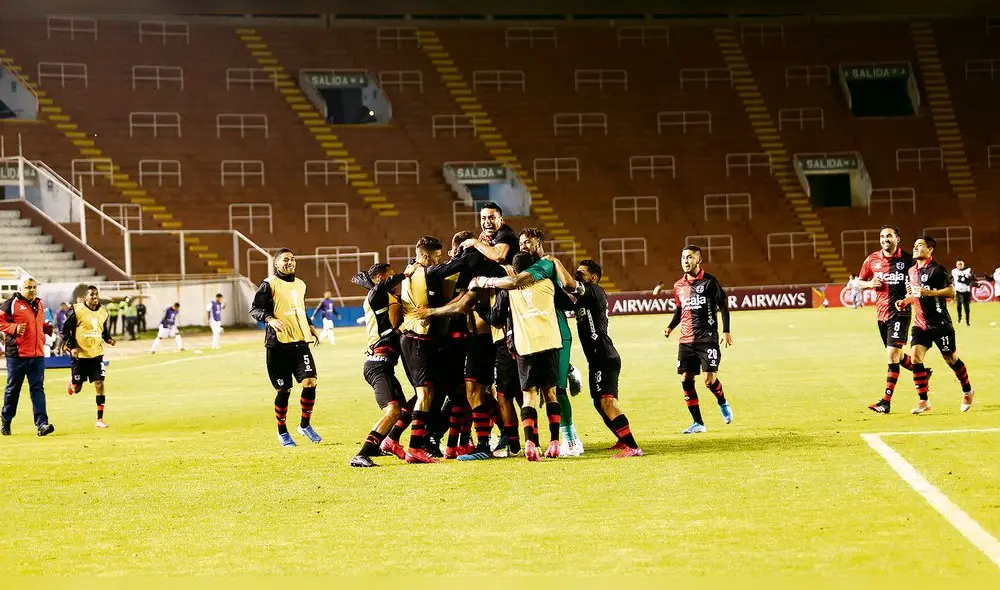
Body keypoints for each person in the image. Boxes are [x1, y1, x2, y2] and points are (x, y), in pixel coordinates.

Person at [548, 256, 643, 457]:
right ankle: (621, 439)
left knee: (607, 402)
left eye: (581, 273)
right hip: (597, 359)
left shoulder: (594, 291)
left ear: (593, 277)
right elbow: (562, 297)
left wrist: (554, 261)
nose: (577, 275)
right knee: (598, 403)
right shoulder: (583, 299)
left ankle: (633, 447)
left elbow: (569, 285)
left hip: (604, 357)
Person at [249, 249, 323, 447]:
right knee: (284, 389)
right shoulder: (269, 284)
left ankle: (304, 425)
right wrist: (270, 319)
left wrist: (310, 325)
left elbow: (299, 308)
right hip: (278, 345)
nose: (290, 262)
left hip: (300, 343)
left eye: (292, 259)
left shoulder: (300, 284)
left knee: (310, 381)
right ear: (276, 264)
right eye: (285, 259)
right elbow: (255, 309)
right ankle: (282, 430)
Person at [895, 236, 976, 414]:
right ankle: (923, 401)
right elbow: (917, 294)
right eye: (914, 245)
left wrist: (931, 292)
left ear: (930, 250)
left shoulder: (937, 270)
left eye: (920, 245)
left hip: (940, 323)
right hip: (920, 323)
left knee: (951, 359)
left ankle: (967, 390)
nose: (916, 248)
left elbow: (951, 292)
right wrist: (905, 301)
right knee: (916, 357)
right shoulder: (911, 271)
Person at [348, 262, 414, 467]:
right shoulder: (376, 295)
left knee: (405, 406)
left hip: (384, 364)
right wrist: (405, 274)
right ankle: (362, 453)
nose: (394, 281)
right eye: (389, 277)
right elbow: (380, 288)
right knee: (394, 409)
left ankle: (383, 444)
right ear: (379, 280)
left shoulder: (382, 296)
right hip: (377, 364)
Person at [663, 245, 733, 434]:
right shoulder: (679, 286)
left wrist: (726, 330)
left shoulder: (710, 282)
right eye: (683, 257)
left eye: (690, 257)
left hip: (707, 338)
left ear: (698, 260)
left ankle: (723, 402)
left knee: (709, 380)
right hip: (685, 340)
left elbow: (723, 306)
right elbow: (680, 310)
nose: (686, 261)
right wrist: (671, 326)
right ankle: (698, 423)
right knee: (686, 378)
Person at [857, 225, 920, 414]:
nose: (885, 239)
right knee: (898, 356)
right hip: (881, 315)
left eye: (889, 236)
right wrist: (869, 284)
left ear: (897, 239)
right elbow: (858, 282)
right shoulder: (872, 259)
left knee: (892, 355)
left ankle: (886, 401)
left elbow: (918, 286)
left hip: (900, 312)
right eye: (883, 236)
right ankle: (922, 372)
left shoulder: (908, 260)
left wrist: (909, 299)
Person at [0, 277, 55, 436]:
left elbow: (35, 324)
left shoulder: (39, 303)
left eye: (34, 287)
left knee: (38, 389)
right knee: (13, 390)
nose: (32, 290)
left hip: (37, 355)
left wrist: (45, 328)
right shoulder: (10, 304)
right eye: (28, 287)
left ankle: (42, 424)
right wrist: (14, 328)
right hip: (17, 356)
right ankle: (6, 420)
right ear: (20, 288)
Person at [62, 285, 116, 427]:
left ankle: (99, 420)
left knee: (100, 383)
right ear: (85, 297)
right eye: (91, 294)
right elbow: (65, 331)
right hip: (80, 356)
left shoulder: (104, 312)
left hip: (97, 355)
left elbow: (103, 331)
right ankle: (72, 383)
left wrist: (109, 339)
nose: (94, 297)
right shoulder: (76, 310)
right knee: (77, 389)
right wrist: (72, 346)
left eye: (96, 294)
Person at [951, 259, 973, 326]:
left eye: (961, 264)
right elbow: (960, 279)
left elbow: (971, 278)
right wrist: (966, 279)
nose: (960, 265)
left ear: (963, 264)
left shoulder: (968, 270)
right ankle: (959, 319)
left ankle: (967, 321)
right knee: (959, 304)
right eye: (958, 264)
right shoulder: (954, 271)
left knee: (966, 306)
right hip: (958, 291)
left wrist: (968, 279)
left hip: (966, 291)